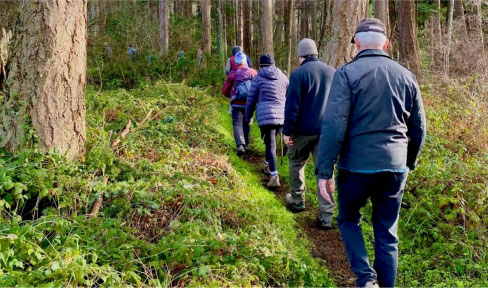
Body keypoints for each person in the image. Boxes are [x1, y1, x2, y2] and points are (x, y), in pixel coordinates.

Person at [316, 18, 426, 288]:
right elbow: (419, 128)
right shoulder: (406, 75)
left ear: (356, 43)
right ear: (386, 44)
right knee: (387, 233)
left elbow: (333, 125)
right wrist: (408, 162)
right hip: (395, 166)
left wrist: (324, 171)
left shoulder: (347, 73)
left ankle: (366, 279)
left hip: (356, 167)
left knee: (348, 218)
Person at [282, 38, 336, 229]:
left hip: (302, 132)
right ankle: (327, 215)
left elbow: (292, 107)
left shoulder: (298, 75)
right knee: (325, 171)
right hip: (327, 133)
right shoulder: (332, 72)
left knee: (296, 163)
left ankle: (297, 200)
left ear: (300, 55)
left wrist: (287, 131)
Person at [246, 54, 289, 188]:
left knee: (269, 143)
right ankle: (267, 165)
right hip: (281, 116)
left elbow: (251, 99)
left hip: (266, 116)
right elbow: (288, 94)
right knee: (271, 142)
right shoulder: (283, 77)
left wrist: (248, 117)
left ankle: (274, 176)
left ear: (260, 66)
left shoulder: (258, 78)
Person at [222, 52, 257, 156]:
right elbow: (257, 87)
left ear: (236, 62)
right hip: (249, 103)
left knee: (237, 124)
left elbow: (224, 91)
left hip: (236, 103)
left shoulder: (233, 73)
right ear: (246, 61)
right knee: (247, 123)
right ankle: (246, 144)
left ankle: (240, 145)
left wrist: (232, 95)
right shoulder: (253, 72)